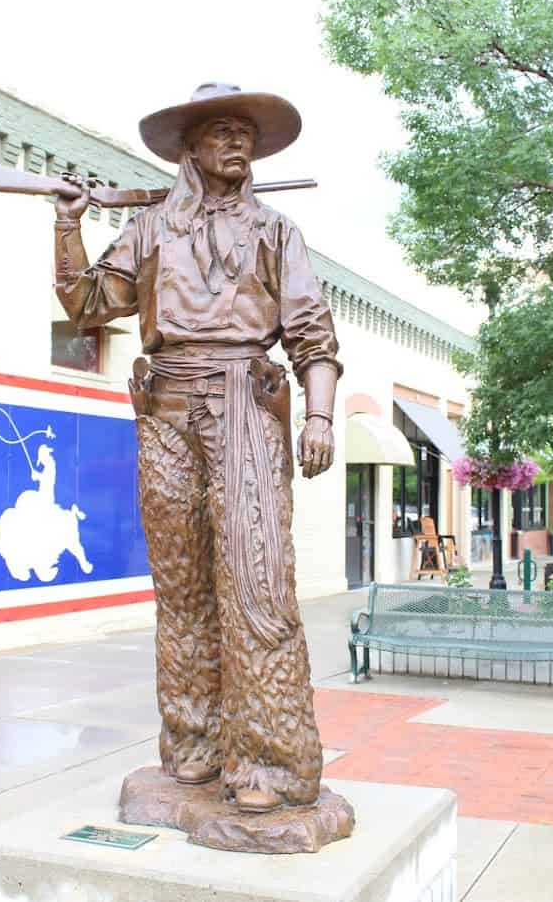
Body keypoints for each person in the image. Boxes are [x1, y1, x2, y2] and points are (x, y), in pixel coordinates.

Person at [53, 83, 339, 814]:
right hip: (164, 408)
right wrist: (66, 226)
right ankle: (193, 744)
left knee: (255, 585)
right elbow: (88, 303)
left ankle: (269, 764)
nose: (236, 142)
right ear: (192, 150)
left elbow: (313, 333)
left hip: (246, 403)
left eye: (244, 132)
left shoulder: (276, 232)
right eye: (220, 132)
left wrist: (320, 417)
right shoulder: (150, 230)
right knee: (180, 588)